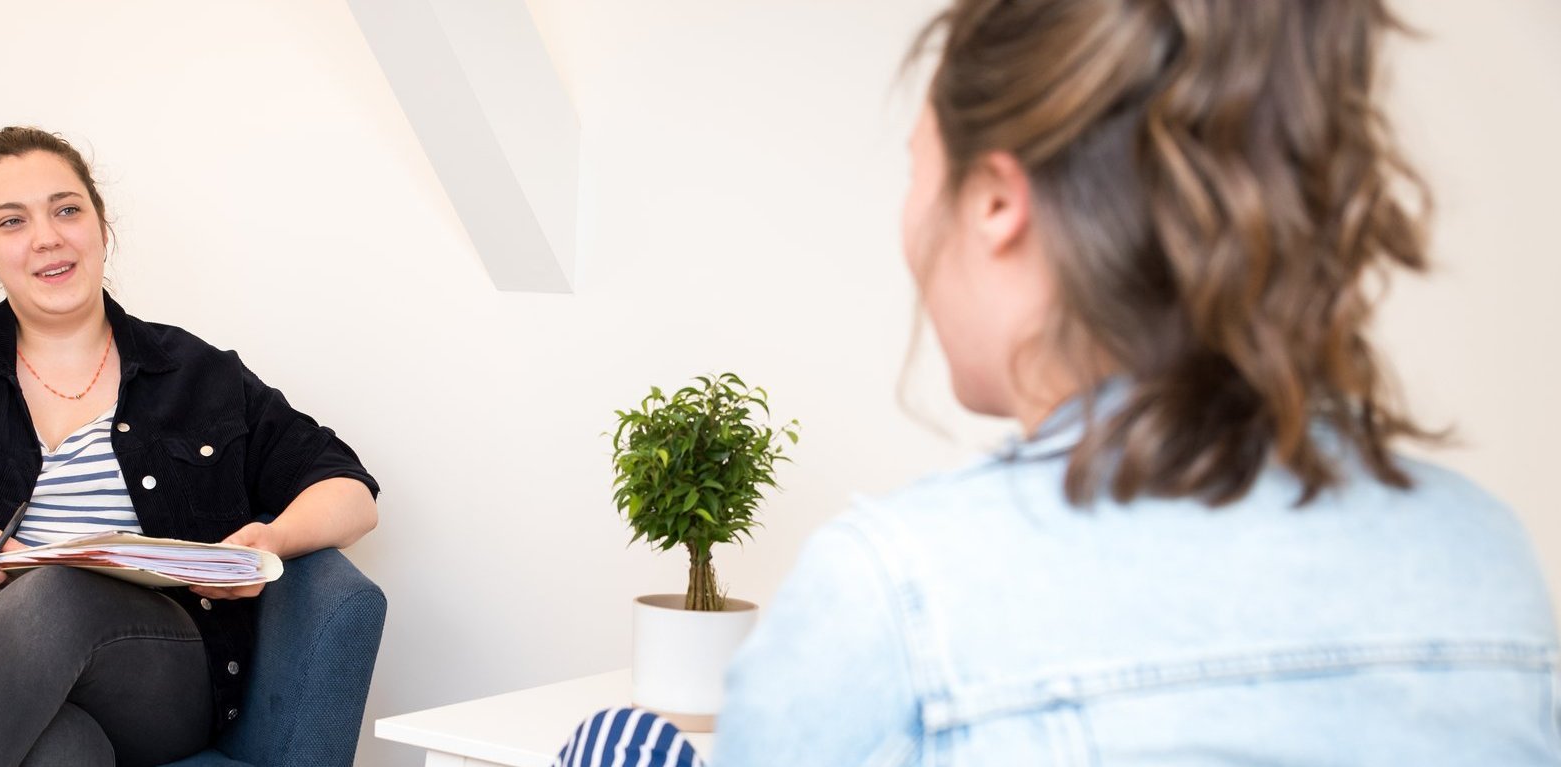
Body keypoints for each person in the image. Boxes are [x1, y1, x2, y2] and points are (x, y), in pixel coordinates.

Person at [562, 0, 1559, 764]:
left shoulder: (897, 597)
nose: (912, 224)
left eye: (922, 169)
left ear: (997, 200)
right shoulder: (1485, 561)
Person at [0, 127, 380, 767]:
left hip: (157, 680)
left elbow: (349, 492)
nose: (47, 236)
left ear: (101, 226)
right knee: (63, 751)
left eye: (66, 209)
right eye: (11, 221)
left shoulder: (197, 375)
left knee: (61, 592)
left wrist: (268, 543)